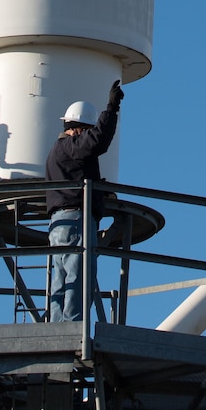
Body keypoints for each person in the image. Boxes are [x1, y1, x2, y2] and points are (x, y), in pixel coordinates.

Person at [44, 84, 124, 323]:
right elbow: (98, 140)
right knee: (78, 280)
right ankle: (72, 330)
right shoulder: (72, 146)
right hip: (76, 221)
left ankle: (57, 330)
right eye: (86, 131)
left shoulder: (56, 152)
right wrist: (112, 107)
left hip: (57, 224)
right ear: (78, 130)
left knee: (60, 281)